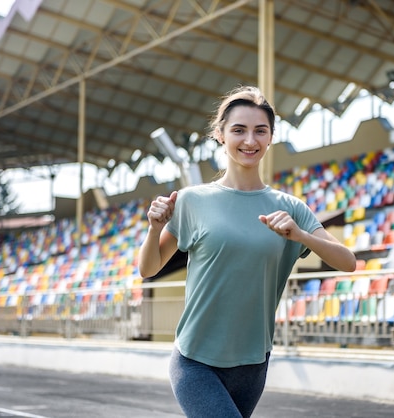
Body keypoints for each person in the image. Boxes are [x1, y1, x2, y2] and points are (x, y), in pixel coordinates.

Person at [138, 85, 356, 417]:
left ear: (270, 137)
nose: (250, 140)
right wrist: (154, 229)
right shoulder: (192, 201)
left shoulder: (290, 208)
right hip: (195, 361)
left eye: (260, 131)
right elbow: (148, 268)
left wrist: (299, 235)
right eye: (239, 130)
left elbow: (348, 262)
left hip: (253, 363)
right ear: (220, 134)